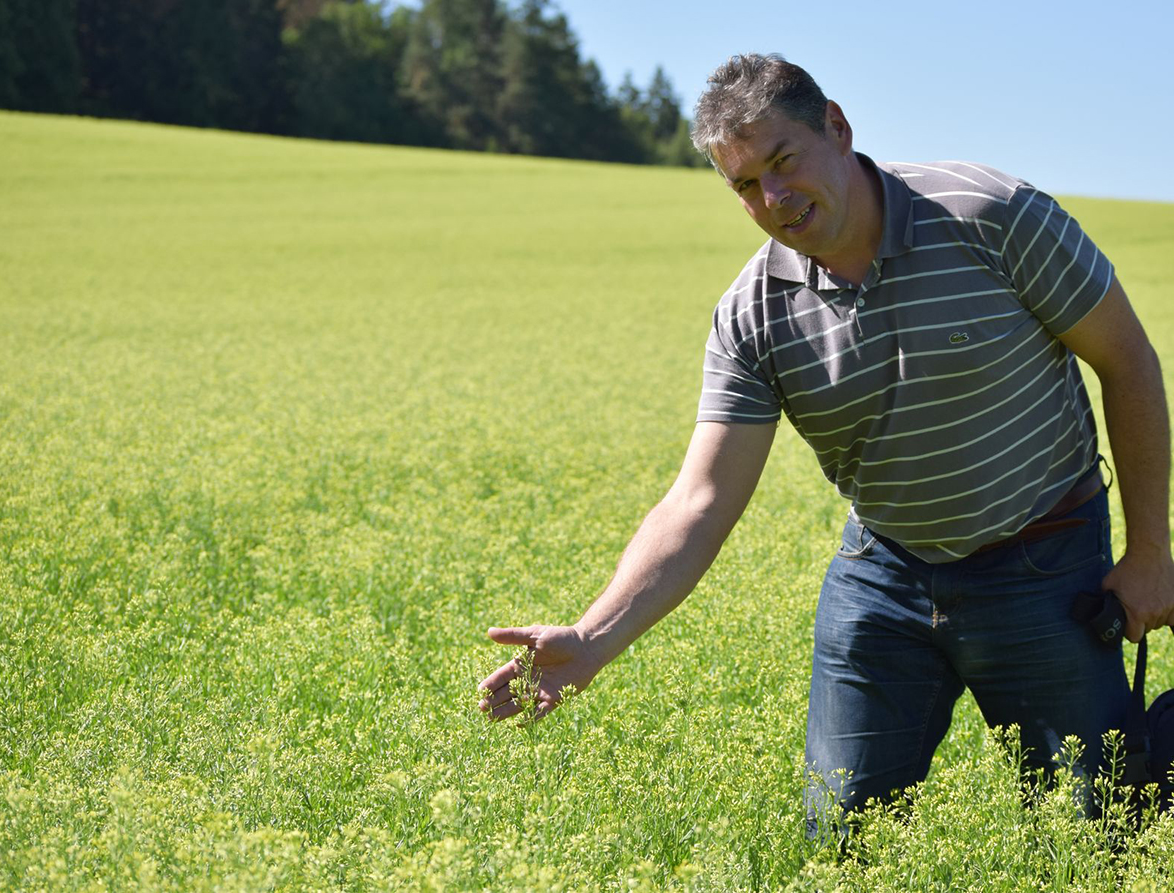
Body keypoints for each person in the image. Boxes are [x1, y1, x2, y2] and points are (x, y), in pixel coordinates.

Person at [477, 53, 1174, 829]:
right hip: (886, 577)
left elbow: (1128, 360)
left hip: (1046, 561)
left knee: (1100, 830)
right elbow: (699, 500)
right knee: (844, 837)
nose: (772, 197)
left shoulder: (993, 217)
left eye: (782, 161)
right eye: (744, 185)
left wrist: (1149, 551)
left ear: (837, 128)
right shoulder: (753, 317)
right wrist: (593, 637)